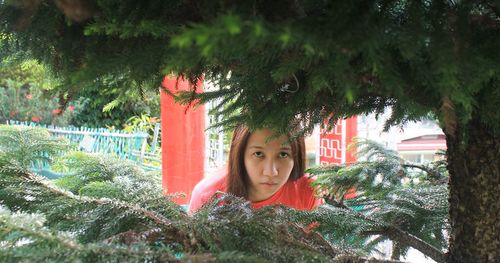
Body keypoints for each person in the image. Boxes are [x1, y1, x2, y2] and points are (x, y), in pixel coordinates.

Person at [188, 124, 322, 213]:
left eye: (283, 154)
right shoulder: (207, 196)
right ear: (240, 155)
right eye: (258, 154)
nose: (271, 172)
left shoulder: (308, 191)